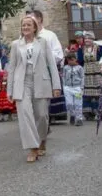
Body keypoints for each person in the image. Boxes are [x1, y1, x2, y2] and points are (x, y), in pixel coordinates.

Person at [7, 15, 62, 162]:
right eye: (23, 25)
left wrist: (56, 86)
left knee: (42, 115)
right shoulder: (15, 45)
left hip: (41, 82)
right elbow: (11, 69)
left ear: (35, 27)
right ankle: (33, 148)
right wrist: (9, 90)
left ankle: (42, 139)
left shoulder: (43, 42)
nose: (25, 28)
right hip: (22, 83)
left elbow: (52, 64)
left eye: (28, 25)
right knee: (25, 115)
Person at [29, 10, 65, 123]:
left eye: (31, 18)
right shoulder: (26, 37)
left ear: (39, 19)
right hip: (29, 74)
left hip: (45, 72)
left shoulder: (49, 35)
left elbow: (59, 54)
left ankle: (44, 123)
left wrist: (44, 59)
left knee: (43, 100)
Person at [79, 32, 102, 120]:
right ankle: (88, 112)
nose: (87, 40)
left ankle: (100, 112)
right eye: (86, 38)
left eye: (89, 38)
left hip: (97, 72)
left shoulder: (100, 48)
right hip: (87, 73)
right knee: (87, 93)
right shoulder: (81, 49)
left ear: (93, 39)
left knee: (98, 92)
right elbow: (80, 60)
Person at [62, 52, 84, 126]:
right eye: (69, 60)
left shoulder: (80, 68)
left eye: (72, 60)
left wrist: (81, 87)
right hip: (68, 88)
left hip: (77, 88)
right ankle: (72, 114)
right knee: (69, 103)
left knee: (78, 103)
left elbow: (82, 77)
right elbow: (63, 77)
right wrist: (64, 86)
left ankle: (79, 119)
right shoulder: (65, 68)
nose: (70, 62)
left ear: (75, 59)